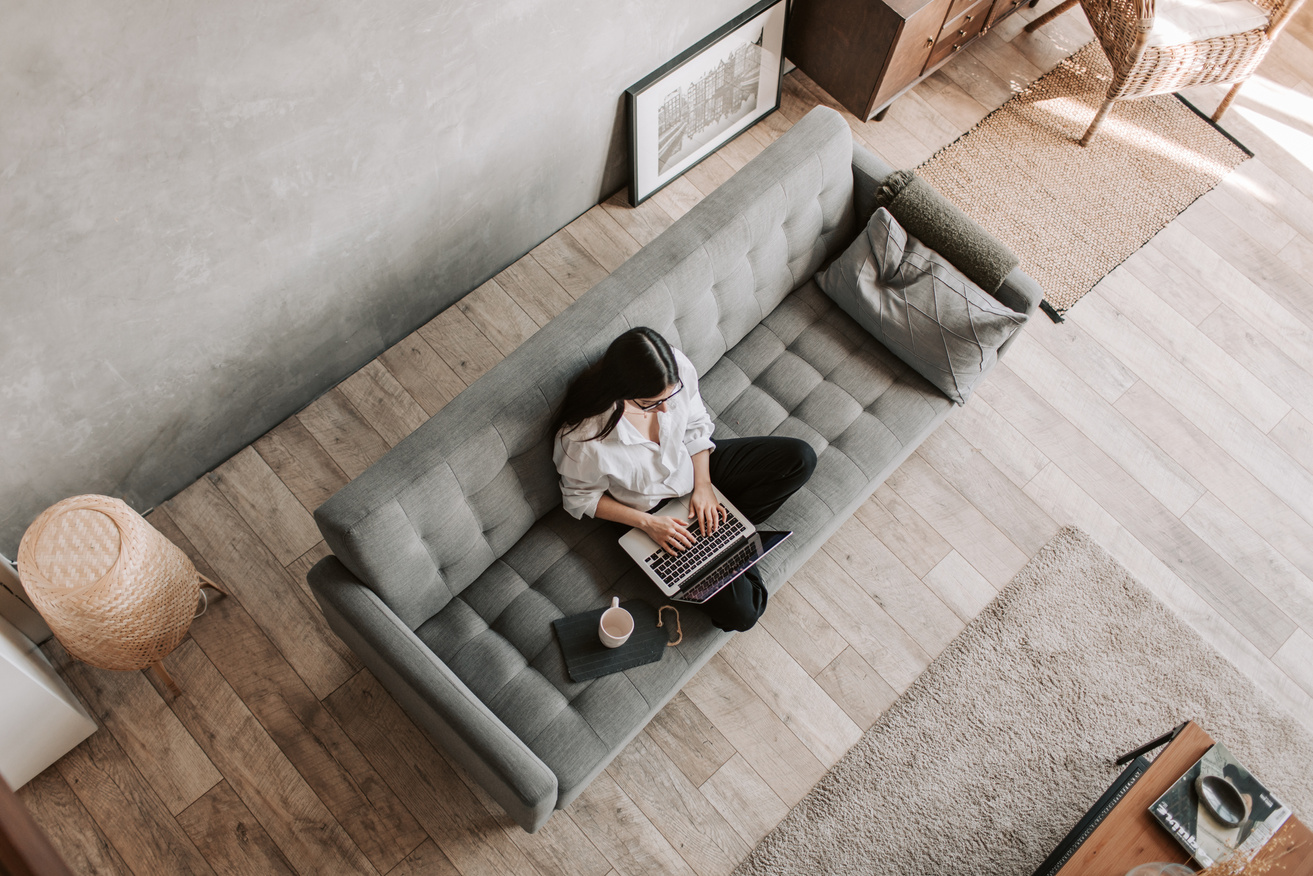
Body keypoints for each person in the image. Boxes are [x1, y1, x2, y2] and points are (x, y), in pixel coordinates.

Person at [551, 326, 816, 632]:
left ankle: (722, 536)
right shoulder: (583, 438)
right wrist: (648, 524)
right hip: (649, 512)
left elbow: (695, 425)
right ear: (620, 392)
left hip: (694, 468)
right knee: (745, 612)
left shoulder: (674, 368)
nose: (664, 408)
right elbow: (580, 498)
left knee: (799, 458)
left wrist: (703, 486)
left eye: (670, 396)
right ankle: (726, 540)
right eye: (651, 403)